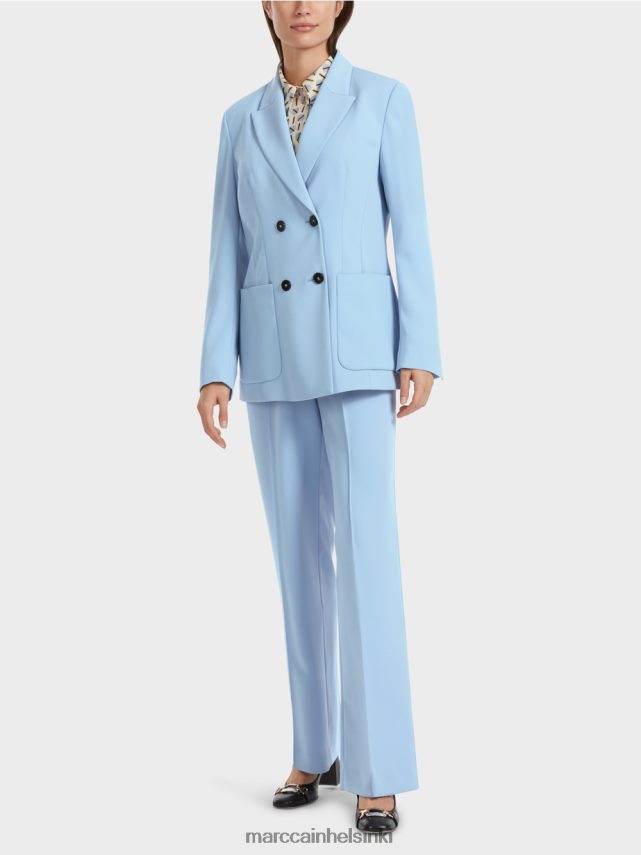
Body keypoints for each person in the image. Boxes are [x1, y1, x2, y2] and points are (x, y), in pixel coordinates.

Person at [196, 1, 443, 834]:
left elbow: (411, 231)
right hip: (271, 355)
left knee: (367, 554)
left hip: (360, 349)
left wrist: (420, 345)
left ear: (341, 5)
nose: (302, 4)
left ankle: (379, 769)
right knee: (296, 559)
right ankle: (314, 747)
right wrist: (214, 367)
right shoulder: (239, 120)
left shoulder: (383, 99)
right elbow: (226, 249)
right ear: (265, 6)